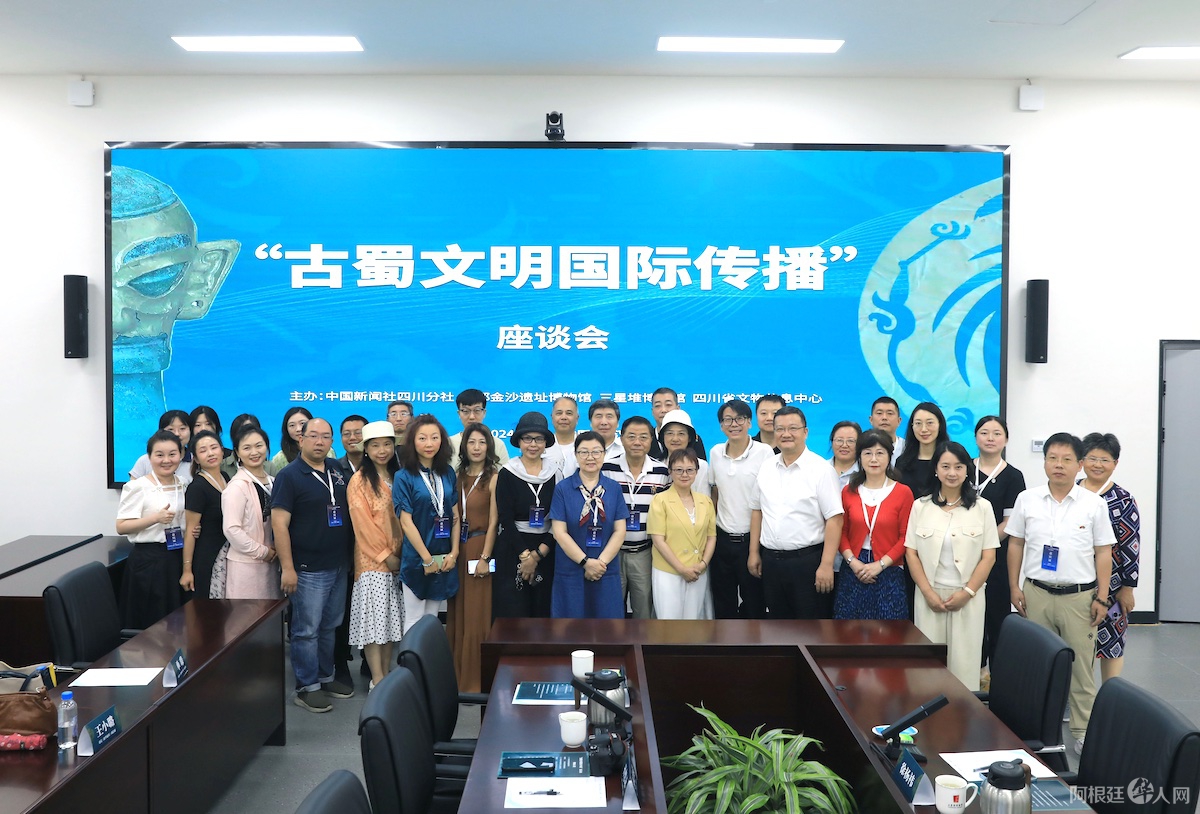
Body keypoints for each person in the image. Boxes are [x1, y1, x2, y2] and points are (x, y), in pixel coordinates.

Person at [1007, 432, 1116, 755]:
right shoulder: (1027, 499)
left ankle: (1083, 732)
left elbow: (1104, 552)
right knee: (1036, 665)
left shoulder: (1094, 504)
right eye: (1052, 458)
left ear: (1079, 464)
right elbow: (1016, 543)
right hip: (1036, 593)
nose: (1059, 465)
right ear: (1044, 462)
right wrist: (1014, 586)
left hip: (1079, 598)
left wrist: (1102, 597)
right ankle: (1034, 729)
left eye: (1067, 459)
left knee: (1081, 670)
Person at [272, 417, 355, 713]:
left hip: (338, 564)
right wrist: (288, 568)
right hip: (307, 568)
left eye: (325, 436)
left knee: (329, 626)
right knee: (306, 630)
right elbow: (279, 524)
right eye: (313, 436)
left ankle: (325, 677)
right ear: (301, 439)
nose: (319, 442)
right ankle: (306, 687)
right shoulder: (289, 476)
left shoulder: (336, 470)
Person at [904, 442, 998, 690]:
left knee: (964, 669)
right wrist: (927, 593)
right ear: (936, 469)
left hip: (968, 598)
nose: (952, 473)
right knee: (927, 672)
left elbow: (988, 556)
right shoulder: (921, 506)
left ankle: (963, 714)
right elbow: (911, 553)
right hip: (929, 597)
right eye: (945, 466)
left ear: (967, 470)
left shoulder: (982, 507)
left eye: (958, 466)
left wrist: (967, 592)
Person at [748, 406, 843, 619]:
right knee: (777, 625)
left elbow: (835, 520)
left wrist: (827, 564)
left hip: (808, 562)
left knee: (811, 626)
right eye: (780, 429)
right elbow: (757, 511)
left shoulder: (821, 469)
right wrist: (754, 552)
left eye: (793, 428)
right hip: (771, 562)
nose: (786, 434)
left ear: (805, 432)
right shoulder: (766, 467)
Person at [346, 421, 404, 692]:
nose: (382, 450)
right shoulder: (359, 480)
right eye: (376, 445)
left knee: (390, 621)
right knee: (373, 623)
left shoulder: (399, 476)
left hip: (400, 560)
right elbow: (363, 525)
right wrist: (386, 556)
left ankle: (386, 675)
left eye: (387, 444)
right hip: (373, 562)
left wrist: (400, 555)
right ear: (366, 450)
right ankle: (377, 678)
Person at [1079, 432, 1140, 683]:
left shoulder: (1123, 500)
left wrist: (1128, 588)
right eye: (1092, 458)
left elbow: (1131, 547)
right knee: (1075, 644)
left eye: (1105, 460)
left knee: (1112, 641)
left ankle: (1109, 694)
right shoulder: (1070, 491)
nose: (1097, 465)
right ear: (1082, 460)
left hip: (1113, 587)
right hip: (1073, 581)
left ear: (1115, 463)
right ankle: (1075, 697)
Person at [548, 431, 629, 618]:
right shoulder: (563, 488)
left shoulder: (614, 488)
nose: (590, 457)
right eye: (584, 452)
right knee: (570, 626)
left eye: (596, 452)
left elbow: (620, 531)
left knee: (607, 626)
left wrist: (600, 564)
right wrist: (585, 562)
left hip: (605, 570)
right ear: (576, 455)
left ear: (604, 454)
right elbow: (559, 532)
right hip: (571, 570)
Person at [836, 430, 913, 621]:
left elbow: (906, 537)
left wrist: (880, 565)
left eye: (880, 453)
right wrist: (853, 562)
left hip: (889, 568)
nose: (873, 459)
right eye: (867, 453)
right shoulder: (848, 491)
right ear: (859, 457)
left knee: (889, 629)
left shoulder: (903, 492)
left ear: (889, 456)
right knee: (848, 628)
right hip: (854, 567)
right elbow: (840, 531)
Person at [394, 414, 460, 634]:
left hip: (443, 557)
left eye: (434, 437)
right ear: (412, 442)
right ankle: (411, 659)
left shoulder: (447, 473)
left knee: (432, 619)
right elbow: (406, 522)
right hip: (417, 558)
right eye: (422, 438)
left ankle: (428, 659)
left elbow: (455, 516)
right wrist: (426, 558)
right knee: (414, 620)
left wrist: (454, 553)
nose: (429, 443)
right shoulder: (403, 477)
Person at [707, 398, 772, 619]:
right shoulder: (715, 452)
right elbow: (715, 493)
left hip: (752, 541)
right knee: (723, 602)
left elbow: (767, 499)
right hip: (722, 539)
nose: (734, 424)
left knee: (754, 602)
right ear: (721, 425)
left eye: (740, 419)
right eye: (728, 420)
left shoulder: (764, 452)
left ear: (749, 422)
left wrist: (755, 551)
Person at [116, 430, 188, 628]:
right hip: (149, 560)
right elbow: (121, 526)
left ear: (181, 455)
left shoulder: (183, 483)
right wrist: (155, 519)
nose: (166, 460)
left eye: (172, 454)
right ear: (149, 457)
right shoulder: (138, 486)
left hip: (177, 556)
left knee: (176, 620)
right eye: (159, 455)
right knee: (151, 621)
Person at [973, 415, 1027, 679]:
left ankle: (996, 677)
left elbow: (1009, 522)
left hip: (995, 556)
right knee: (969, 618)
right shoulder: (962, 468)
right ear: (975, 437)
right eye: (984, 432)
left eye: (997, 433)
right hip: (961, 556)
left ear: (1006, 439)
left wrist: (982, 545)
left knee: (996, 617)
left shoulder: (1013, 476)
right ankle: (971, 673)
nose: (990, 438)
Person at [601, 416, 670, 619]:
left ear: (651, 440)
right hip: (612, 553)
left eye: (643, 437)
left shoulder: (662, 472)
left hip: (645, 553)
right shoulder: (606, 468)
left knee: (644, 610)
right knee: (611, 609)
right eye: (631, 436)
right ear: (621, 438)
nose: (637, 442)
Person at [448, 422, 499, 692]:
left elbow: (494, 522)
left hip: (481, 548)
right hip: (459, 548)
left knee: (478, 614)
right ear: (464, 446)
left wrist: (485, 557)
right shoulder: (456, 476)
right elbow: (455, 517)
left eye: (481, 442)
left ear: (488, 446)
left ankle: (477, 679)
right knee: (459, 613)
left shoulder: (494, 477)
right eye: (471, 442)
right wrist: (453, 552)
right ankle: (456, 677)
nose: (477, 447)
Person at [492, 412, 558, 619]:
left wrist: (538, 555)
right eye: (527, 438)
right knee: (514, 612)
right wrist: (525, 556)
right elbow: (505, 518)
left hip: (547, 549)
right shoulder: (507, 472)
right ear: (519, 441)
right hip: (513, 547)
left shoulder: (556, 472)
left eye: (539, 439)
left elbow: (559, 519)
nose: (533, 444)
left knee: (542, 610)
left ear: (545, 443)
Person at [648, 448, 717, 619]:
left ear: (696, 472)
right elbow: (658, 540)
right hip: (668, 571)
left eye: (690, 470)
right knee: (669, 621)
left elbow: (711, 537)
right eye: (679, 470)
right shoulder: (660, 500)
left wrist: (702, 565)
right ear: (670, 471)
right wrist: (681, 569)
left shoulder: (705, 501)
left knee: (693, 620)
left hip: (697, 571)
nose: (684, 474)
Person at [221, 425, 281, 600]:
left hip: (272, 563)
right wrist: (262, 552)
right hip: (246, 566)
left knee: (272, 614)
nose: (254, 452)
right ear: (237, 453)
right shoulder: (236, 487)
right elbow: (232, 529)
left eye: (259, 445)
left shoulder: (274, 482)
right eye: (247, 448)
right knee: (247, 614)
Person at [180, 430, 230, 600]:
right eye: (203, 450)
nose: (210, 453)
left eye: (214, 447)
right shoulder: (197, 488)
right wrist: (187, 570)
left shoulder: (226, 477)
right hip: (208, 557)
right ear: (195, 458)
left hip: (228, 554)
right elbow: (190, 532)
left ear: (222, 450)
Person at [894, 402, 949, 499]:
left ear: (940, 424)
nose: (924, 429)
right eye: (918, 423)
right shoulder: (902, 462)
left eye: (930, 423)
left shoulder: (950, 460)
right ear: (912, 426)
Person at [128, 409, 194, 485]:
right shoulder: (145, 460)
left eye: (182, 428)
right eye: (170, 429)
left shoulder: (195, 461)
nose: (177, 434)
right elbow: (132, 488)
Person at [449, 389, 509, 468]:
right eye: (466, 411)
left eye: (477, 410)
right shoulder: (448, 444)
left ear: (484, 413)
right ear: (459, 413)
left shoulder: (498, 444)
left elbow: (504, 473)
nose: (472, 417)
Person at [658, 410, 711, 496]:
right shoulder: (656, 465)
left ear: (689, 437)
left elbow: (704, 499)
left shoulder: (701, 466)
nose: (675, 439)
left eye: (681, 434)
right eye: (670, 433)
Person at [649, 387, 707, 461]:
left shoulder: (695, 440)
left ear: (678, 408)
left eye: (668, 405)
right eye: (658, 406)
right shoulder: (647, 439)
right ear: (652, 411)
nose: (663, 410)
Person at [542, 396, 580, 480]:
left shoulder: (586, 445)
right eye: (559, 413)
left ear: (577, 418)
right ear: (552, 417)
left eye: (569, 413)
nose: (563, 417)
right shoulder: (541, 446)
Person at [269, 406, 313, 475]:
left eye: (302, 423)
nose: (298, 429)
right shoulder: (280, 459)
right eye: (292, 425)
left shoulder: (328, 452)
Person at [829, 421, 862, 489]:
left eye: (850, 441)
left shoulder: (866, 471)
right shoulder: (820, 468)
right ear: (832, 443)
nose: (844, 445)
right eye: (839, 440)